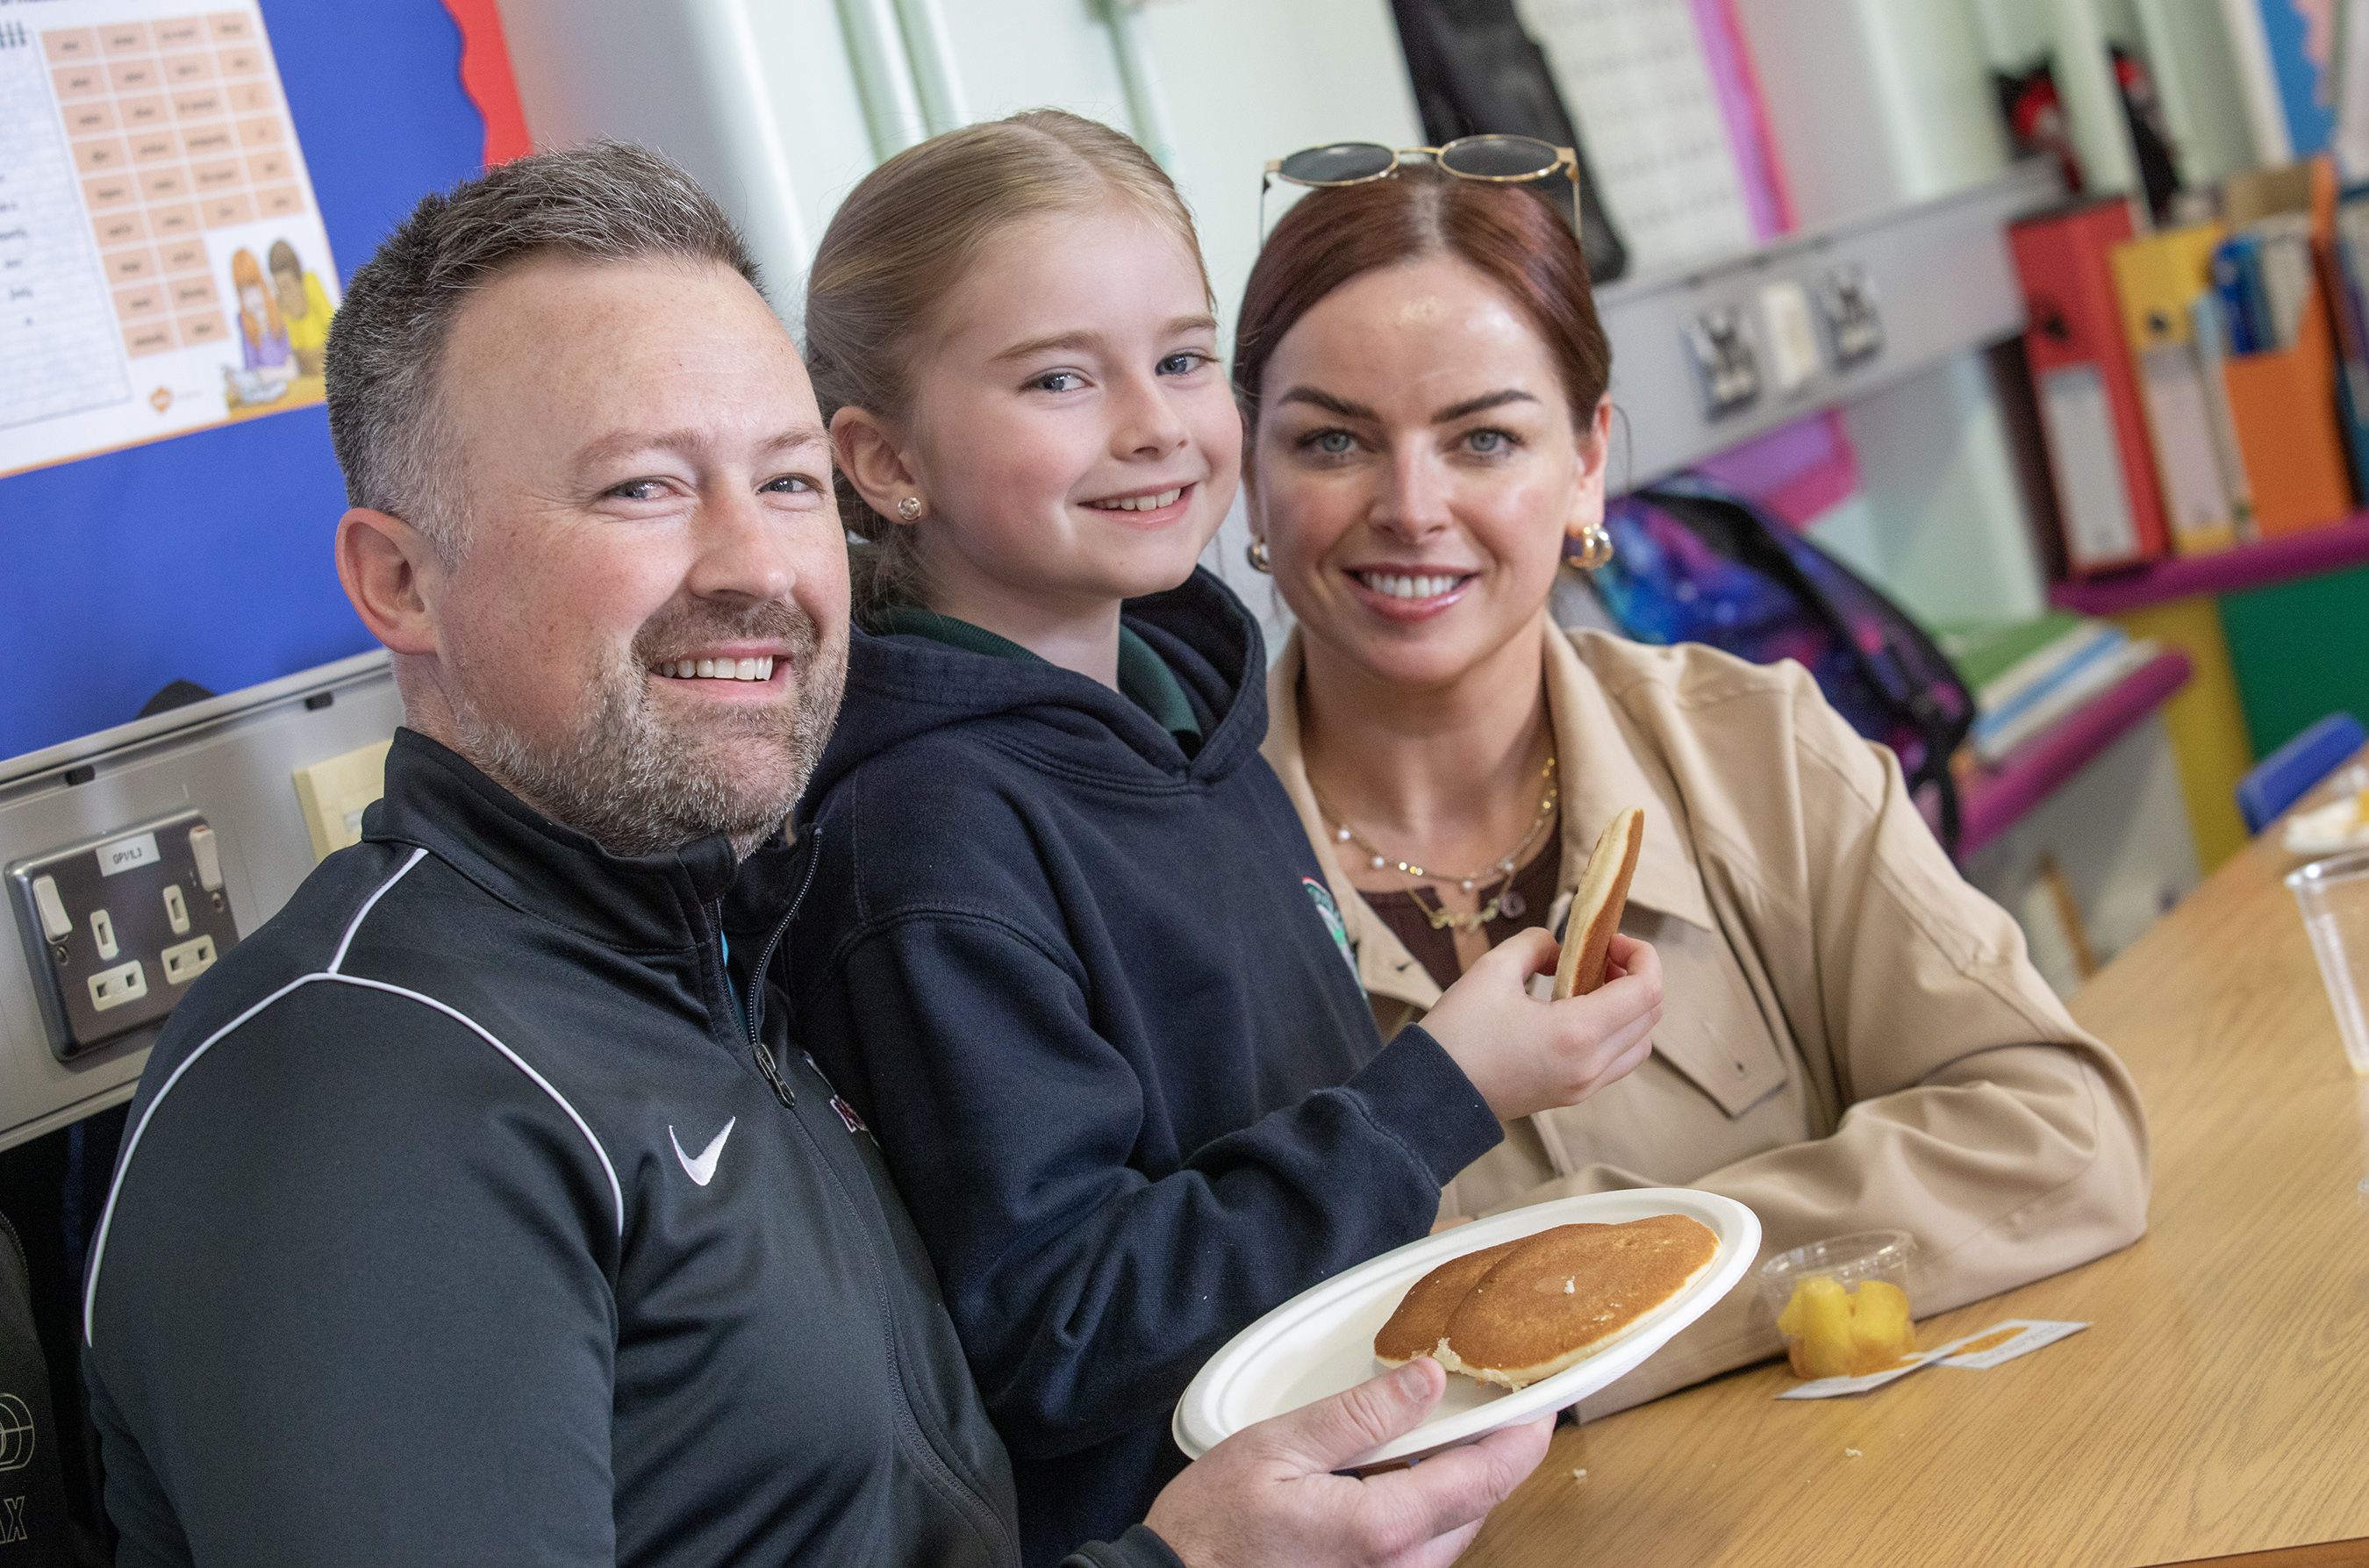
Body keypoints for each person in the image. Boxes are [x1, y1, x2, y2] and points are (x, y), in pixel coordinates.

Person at [79, 141, 1555, 1568]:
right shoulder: (365, 1093)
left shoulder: (720, 960)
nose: (755, 567)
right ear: (400, 580)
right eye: (642, 487)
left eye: (784, 484)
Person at [784, 111, 1661, 1559]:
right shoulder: (926, 843)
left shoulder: (1193, 720)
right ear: (883, 461)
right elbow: (1059, 1324)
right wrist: (1442, 1088)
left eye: (1184, 360)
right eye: (1061, 377)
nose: (1151, 424)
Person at [1235, 159, 2151, 1415]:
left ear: (1587, 462)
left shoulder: (1755, 748)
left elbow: (2062, 1139)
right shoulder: (1172, 885)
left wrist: (1602, 1293)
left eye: (1484, 437)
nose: (1411, 505)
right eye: (1333, 439)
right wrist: (1804, 1250)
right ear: (1249, 468)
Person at [268, 238, 334, 377]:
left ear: (297, 277)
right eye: (279, 287)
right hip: (306, 365)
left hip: (327, 355)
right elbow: (293, 345)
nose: (284, 292)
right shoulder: (280, 301)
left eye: (286, 285)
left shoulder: (310, 282)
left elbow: (330, 322)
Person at [230, 247, 290, 375]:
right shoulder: (243, 319)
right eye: (244, 291)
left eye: (253, 286)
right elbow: (250, 365)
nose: (251, 297)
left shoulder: (277, 308)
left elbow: (292, 361)